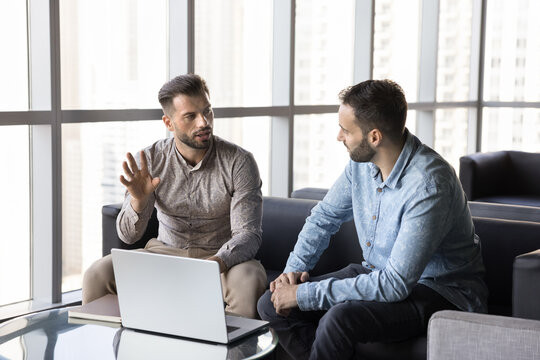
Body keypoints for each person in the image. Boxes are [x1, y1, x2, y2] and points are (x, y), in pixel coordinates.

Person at [257, 79, 488, 359]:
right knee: (271, 305)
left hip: (440, 292)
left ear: (374, 137)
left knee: (339, 320)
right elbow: (324, 217)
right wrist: (290, 275)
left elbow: (395, 284)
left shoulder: (429, 184)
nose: (339, 137)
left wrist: (303, 295)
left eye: (345, 130)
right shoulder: (361, 166)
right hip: (378, 273)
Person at [83, 74, 267, 319]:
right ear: (168, 123)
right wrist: (138, 202)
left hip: (221, 260)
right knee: (98, 273)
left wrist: (216, 263)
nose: (204, 122)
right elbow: (128, 236)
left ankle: (230, 355)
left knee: (249, 279)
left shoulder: (239, 161)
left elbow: (248, 234)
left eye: (207, 111)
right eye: (190, 116)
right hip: (165, 254)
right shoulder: (150, 160)